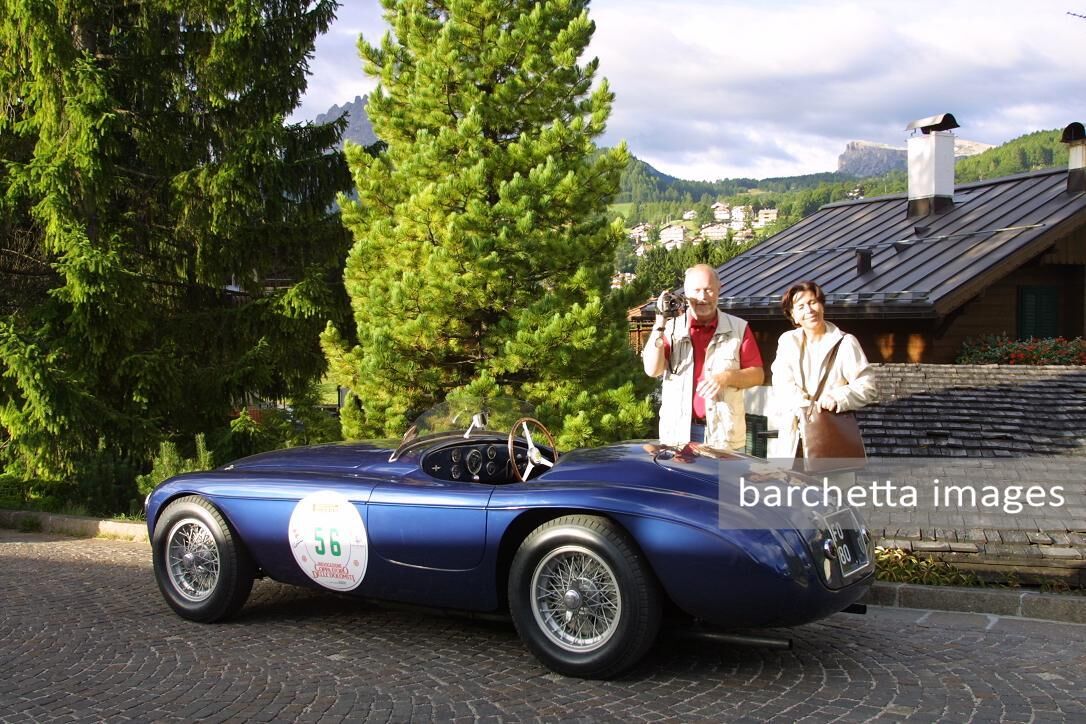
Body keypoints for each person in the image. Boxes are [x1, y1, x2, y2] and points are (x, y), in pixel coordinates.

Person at [642, 264, 764, 448]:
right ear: (686, 292)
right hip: (677, 435)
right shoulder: (671, 328)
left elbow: (757, 375)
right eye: (696, 291)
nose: (702, 297)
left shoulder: (738, 328)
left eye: (708, 290)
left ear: (719, 289)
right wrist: (660, 321)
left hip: (722, 436)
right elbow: (652, 369)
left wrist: (726, 377)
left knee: (722, 479)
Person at [768, 280, 877, 463]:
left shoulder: (845, 342)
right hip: (792, 443)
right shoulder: (787, 342)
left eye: (812, 303)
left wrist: (837, 398)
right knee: (789, 490)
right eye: (801, 306)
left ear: (822, 306)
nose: (809, 310)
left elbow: (867, 386)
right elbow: (781, 384)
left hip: (831, 439)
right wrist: (807, 408)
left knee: (832, 490)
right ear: (793, 316)